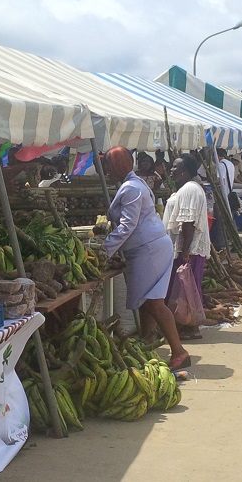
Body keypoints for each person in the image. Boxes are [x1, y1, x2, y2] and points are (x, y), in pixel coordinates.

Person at [103, 146, 190, 371]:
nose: (107, 171)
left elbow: (127, 225)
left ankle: (179, 352)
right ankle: (146, 343)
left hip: (148, 249)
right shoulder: (134, 184)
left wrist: (105, 249)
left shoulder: (131, 188)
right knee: (147, 300)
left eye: (108, 166)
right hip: (147, 247)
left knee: (154, 302)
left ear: (117, 166)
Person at [163, 154, 211, 341]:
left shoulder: (190, 189)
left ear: (185, 171)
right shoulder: (187, 188)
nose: (171, 170)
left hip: (189, 250)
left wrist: (185, 251)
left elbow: (188, 223)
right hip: (186, 249)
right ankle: (183, 325)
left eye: (175, 167)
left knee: (185, 289)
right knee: (184, 288)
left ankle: (190, 327)